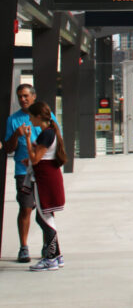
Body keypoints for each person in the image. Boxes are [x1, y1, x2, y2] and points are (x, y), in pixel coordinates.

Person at [25, 101, 66, 271]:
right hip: (50, 176)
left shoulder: (46, 134)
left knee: (43, 218)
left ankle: (50, 258)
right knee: (46, 217)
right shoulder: (51, 132)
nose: (29, 119)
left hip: (44, 179)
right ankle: (56, 255)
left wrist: (27, 139)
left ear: (38, 117)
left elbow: (35, 159)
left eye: (31, 116)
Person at [4, 84, 41, 263]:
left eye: (26, 96)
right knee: (25, 207)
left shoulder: (44, 116)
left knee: (45, 210)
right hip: (23, 171)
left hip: (43, 170)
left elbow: (56, 140)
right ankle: (24, 247)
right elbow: (9, 148)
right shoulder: (13, 120)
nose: (23, 99)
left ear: (33, 97)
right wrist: (15, 136)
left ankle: (49, 245)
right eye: (20, 96)